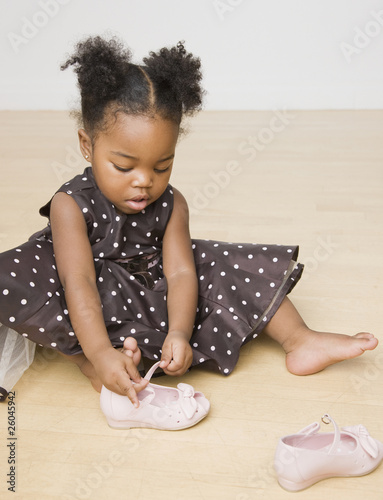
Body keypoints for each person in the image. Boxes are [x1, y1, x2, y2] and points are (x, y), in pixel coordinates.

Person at [0, 36, 378, 408]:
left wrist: (179, 333)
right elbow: (77, 282)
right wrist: (98, 352)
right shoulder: (70, 205)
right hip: (85, 293)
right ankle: (91, 362)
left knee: (221, 261)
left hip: (148, 288)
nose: (144, 180)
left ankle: (300, 339)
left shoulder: (172, 203)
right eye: (123, 166)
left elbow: (181, 274)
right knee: (13, 279)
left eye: (162, 165)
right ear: (87, 145)